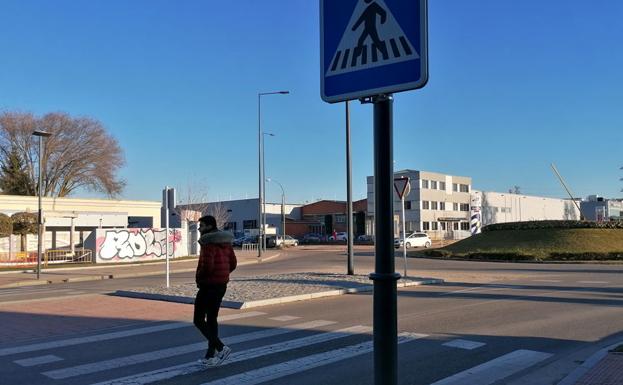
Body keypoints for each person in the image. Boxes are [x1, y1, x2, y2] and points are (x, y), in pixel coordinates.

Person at [193, 215, 237, 367]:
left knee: (198, 319)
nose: (199, 229)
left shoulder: (207, 243)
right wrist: (222, 274)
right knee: (212, 319)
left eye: (201, 226)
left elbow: (207, 267)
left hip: (208, 286)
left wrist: (199, 277)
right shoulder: (226, 242)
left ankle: (221, 347)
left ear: (209, 226)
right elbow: (233, 264)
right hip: (221, 285)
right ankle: (210, 356)